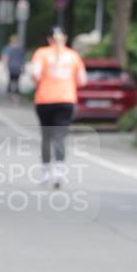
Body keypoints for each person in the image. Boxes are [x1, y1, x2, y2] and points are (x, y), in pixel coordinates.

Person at [30, 27, 86, 188]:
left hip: (45, 99)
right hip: (66, 99)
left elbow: (36, 74)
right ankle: (59, 172)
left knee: (46, 136)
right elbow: (82, 80)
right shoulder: (73, 55)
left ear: (49, 39)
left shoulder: (41, 53)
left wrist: (41, 83)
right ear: (65, 38)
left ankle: (46, 172)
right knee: (60, 136)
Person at [1, 34, 25, 103]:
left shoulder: (8, 48)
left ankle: (11, 94)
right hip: (18, 67)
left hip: (11, 67)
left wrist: (3, 66)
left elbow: (5, 57)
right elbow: (23, 59)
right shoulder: (20, 48)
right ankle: (16, 96)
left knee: (11, 81)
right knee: (17, 82)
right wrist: (23, 67)